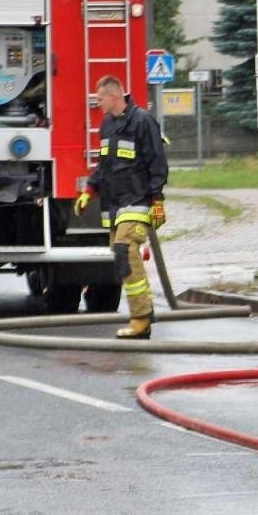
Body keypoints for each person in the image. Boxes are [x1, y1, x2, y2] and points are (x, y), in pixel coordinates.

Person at [74, 75, 167, 340]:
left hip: (138, 201)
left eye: (100, 98)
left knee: (126, 251)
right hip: (115, 205)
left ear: (114, 96)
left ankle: (140, 318)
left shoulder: (143, 121)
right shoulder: (107, 125)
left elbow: (157, 163)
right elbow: (104, 166)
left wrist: (157, 201)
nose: (98, 103)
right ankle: (143, 315)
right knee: (121, 258)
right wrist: (89, 190)